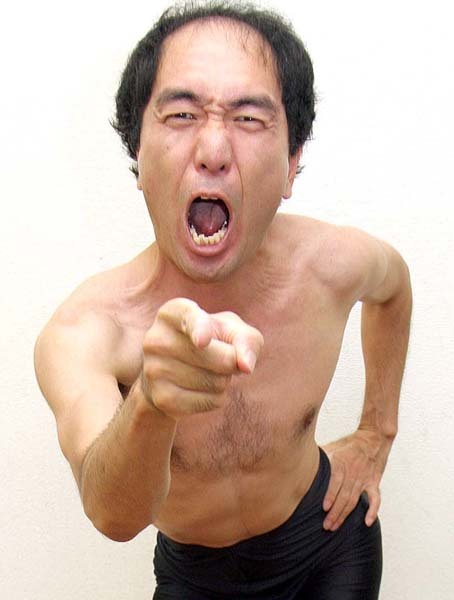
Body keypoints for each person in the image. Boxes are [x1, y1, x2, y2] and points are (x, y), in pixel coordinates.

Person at [34, 2, 412, 598]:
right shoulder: (87, 331)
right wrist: (151, 403)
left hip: (327, 544)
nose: (213, 148)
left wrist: (376, 433)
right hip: (195, 575)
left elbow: (394, 288)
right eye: (182, 114)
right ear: (137, 157)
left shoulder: (330, 264)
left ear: (291, 165)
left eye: (249, 118)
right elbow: (112, 515)